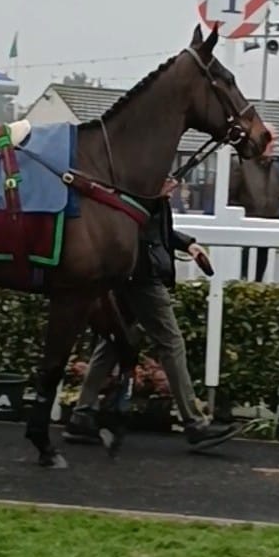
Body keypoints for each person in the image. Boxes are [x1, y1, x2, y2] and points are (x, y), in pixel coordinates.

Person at [64, 178, 243, 451]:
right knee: (171, 343)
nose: (174, 183)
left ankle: (82, 413)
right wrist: (152, 196)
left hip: (130, 273)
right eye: (168, 180)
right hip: (142, 276)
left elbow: (159, 231)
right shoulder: (137, 189)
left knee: (114, 342)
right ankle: (194, 423)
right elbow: (132, 228)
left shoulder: (140, 184)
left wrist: (188, 244)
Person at [228, 122, 279, 281]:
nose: (274, 144)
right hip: (242, 237)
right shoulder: (238, 163)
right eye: (270, 139)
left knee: (256, 281)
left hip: (265, 236)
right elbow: (227, 199)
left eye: (276, 140)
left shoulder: (276, 169)